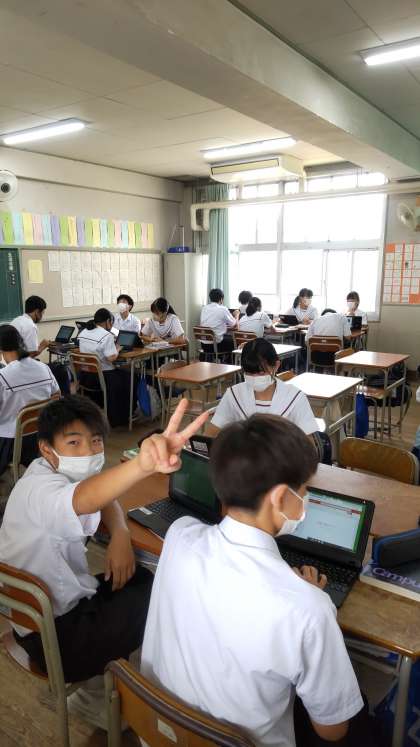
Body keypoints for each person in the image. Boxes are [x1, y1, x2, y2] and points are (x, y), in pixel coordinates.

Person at [141, 415, 369, 747]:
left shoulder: (180, 534)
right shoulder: (309, 610)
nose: (305, 498)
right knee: (358, 719)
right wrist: (310, 600)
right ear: (280, 497)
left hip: (159, 731)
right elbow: (332, 730)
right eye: (303, 490)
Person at [0, 395, 208, 728]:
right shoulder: (41, 493)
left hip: (42, 619)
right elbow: (86, 497)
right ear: (46, 448)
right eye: (74, 442)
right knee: (164, 595)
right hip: (58, 642)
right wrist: (142, 465)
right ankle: (109, 697)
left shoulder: (44, 471)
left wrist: (121, 533)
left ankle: (100, 686)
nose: (89, 452)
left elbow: (98, 492)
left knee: (139, 578)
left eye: (95, 441)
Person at [208, 339, 317, 436]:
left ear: (276, 366)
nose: (254, 377)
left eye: (261, 373)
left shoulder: (295, 397)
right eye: (249, 373)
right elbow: (212, 433)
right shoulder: (234, 394)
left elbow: (308, 445)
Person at [0, 325, 60, 476]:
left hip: (11, 443)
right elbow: (57, 397)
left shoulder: (3, 377)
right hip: (42, 436)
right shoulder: (43, 367)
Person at [77, 308, 131, 428]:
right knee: (129, 377)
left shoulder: (84, 332)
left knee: (122, 376)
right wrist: (118, 349)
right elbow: (111, 358)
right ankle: (120, 418)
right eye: (111, 322)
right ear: (107, 321)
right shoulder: (106, 335)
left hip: (85, 377)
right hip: (102, 378)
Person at [11, 296, 70, 394]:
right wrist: (44, 345)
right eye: (42, 313)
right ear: (37, 312)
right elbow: (31, 354)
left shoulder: (16, 320)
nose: (42, 317)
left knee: (51, 366)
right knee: (62, 370)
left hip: (13, 364)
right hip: (23, 367)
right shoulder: (30, 326)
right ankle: (64, 399)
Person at [200, 288, 237, 357]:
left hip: (204, 345)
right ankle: (228, 362)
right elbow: (234, 324)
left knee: (225, 338)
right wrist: (236, 315)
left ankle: (220, 359)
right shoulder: (222, 309)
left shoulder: (204, 308)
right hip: (216, 345)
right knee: (234, 341)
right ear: (221, 299)